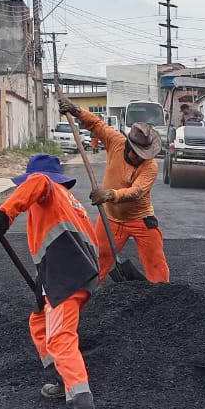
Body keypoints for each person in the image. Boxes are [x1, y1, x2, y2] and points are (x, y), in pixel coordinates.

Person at [0, 154, 103, 409]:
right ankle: (65, 381)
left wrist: (5, 214)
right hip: (74, 273)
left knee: (61, 338)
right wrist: (44, 285)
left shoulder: (45, 184)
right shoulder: (69, 203)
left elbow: (38, 181)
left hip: (68, 274)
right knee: (39, 321)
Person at [59, 96, 169, 283]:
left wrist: (111, 194)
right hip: (110, 219)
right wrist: (77, 110)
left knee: (155, 261)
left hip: (140, 218)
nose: (140, 158)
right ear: (128, 146)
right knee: (98, 259)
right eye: (137, 153)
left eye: (144, 154)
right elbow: (96, 124)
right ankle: (86, 295)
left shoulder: (150, 166)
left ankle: (162, 296)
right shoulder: (115, 142)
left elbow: (137, 192)